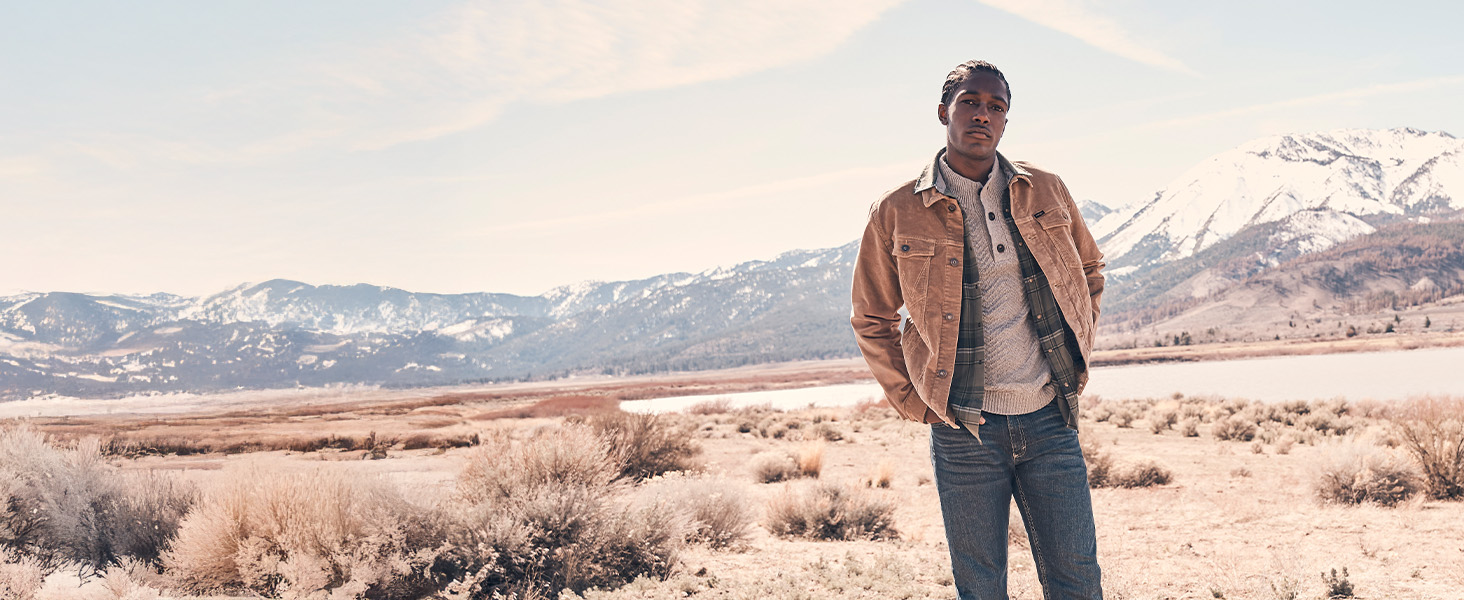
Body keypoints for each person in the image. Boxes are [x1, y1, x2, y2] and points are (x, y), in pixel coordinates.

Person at [849, 59, 1106, 599]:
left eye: (996, 106)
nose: (982, 115)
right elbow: (872, 317)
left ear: (1006, 122)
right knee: (981, 586)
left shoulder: (1046, 191)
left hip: (1049, 420)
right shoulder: (898, 209)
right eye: (970, 102)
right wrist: (914, 402)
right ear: (944, 112)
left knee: (1077, 580)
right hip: (963, 429)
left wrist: (1077, 351)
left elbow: (1088, 272)